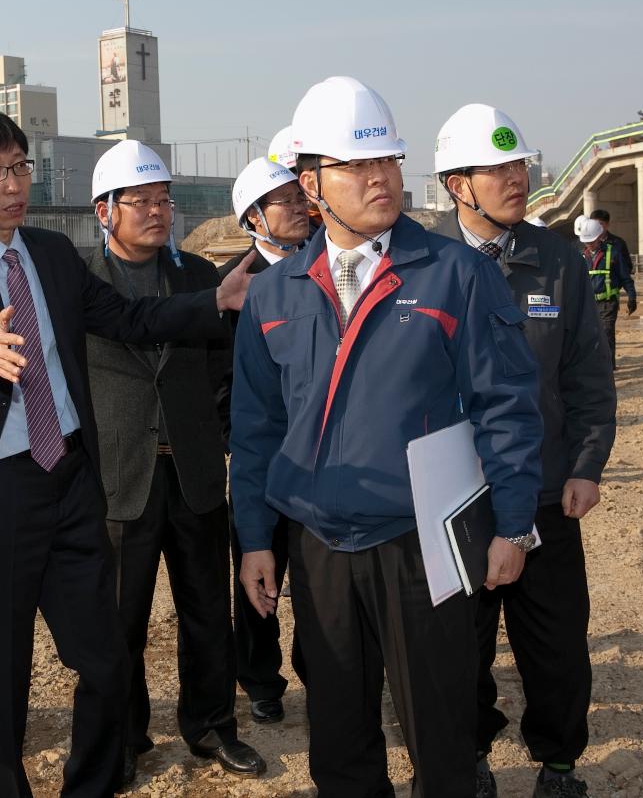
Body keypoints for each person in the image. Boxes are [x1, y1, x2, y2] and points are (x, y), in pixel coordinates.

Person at [0, 109, 253, 797]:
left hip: (69, 478)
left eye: (19, 167)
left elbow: (129, 319)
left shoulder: (53, 253)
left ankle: (88, 786)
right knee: (1, 675)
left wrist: (215, 299)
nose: (11, 184)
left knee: (106, 659)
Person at [231, 77, 543, 797]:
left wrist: (515, 524)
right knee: (339, 734)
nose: (380, 178)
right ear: (311, 183)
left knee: (439, 726)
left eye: (390, 162)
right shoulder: (275, 295)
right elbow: (255, 429)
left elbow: (507, 406)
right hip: (320, 548)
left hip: (423, 542)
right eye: (357, 166)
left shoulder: (453, 274)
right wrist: (255, 538)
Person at [433, 104, 618, 798]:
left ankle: (560, 763)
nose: (519, 178)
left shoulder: (558, 259)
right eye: (499, 168)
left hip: (544, 490)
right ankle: (471, 754)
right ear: (458, 184)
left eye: (520, 164)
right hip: (457, 500)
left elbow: (587, 376)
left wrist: (587, 463)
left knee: (559, 646)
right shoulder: (427, 263)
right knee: (459, 647)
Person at [85, 141, 266, 785]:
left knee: (205, 610)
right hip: (119, 474)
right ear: (104, 212)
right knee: (120, 616)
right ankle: (126, 735)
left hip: (191, 469)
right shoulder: (83, 282)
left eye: (165, 199)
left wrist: (223, 434)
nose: (158, 212)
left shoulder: (198, 278)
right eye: (142, 201)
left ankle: (213, 727)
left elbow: (223, 368)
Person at [219, 157, 313, 724]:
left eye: (301, 197)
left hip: (314, 458)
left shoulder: (329, 269)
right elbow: (219, 378)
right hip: (261, 460)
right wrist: (242, 443)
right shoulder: (232, 286)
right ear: (255, 217)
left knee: (317, 577)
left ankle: (319, 670)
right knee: (258, 571)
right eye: (285, 202)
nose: (301, 208)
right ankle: (259, 679)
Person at [576, 216, 636, 369]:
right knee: (589, 335)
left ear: (599, 237)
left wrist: (632, 297)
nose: (589, 244)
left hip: (608, 303)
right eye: (586, 241)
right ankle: (595, 365)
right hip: (588, 303)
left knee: (606, 333)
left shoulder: (613, 253)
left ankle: (608, 367)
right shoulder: (580, 256)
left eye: (592, 241)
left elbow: (625, 277)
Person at [588, 209, 634, 278]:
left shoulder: (618, 243)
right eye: (594, 224)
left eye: (600, 223)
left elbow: (627, 267)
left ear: (607, 225)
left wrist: (615, 282)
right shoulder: (583, 243)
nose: (597, 227)